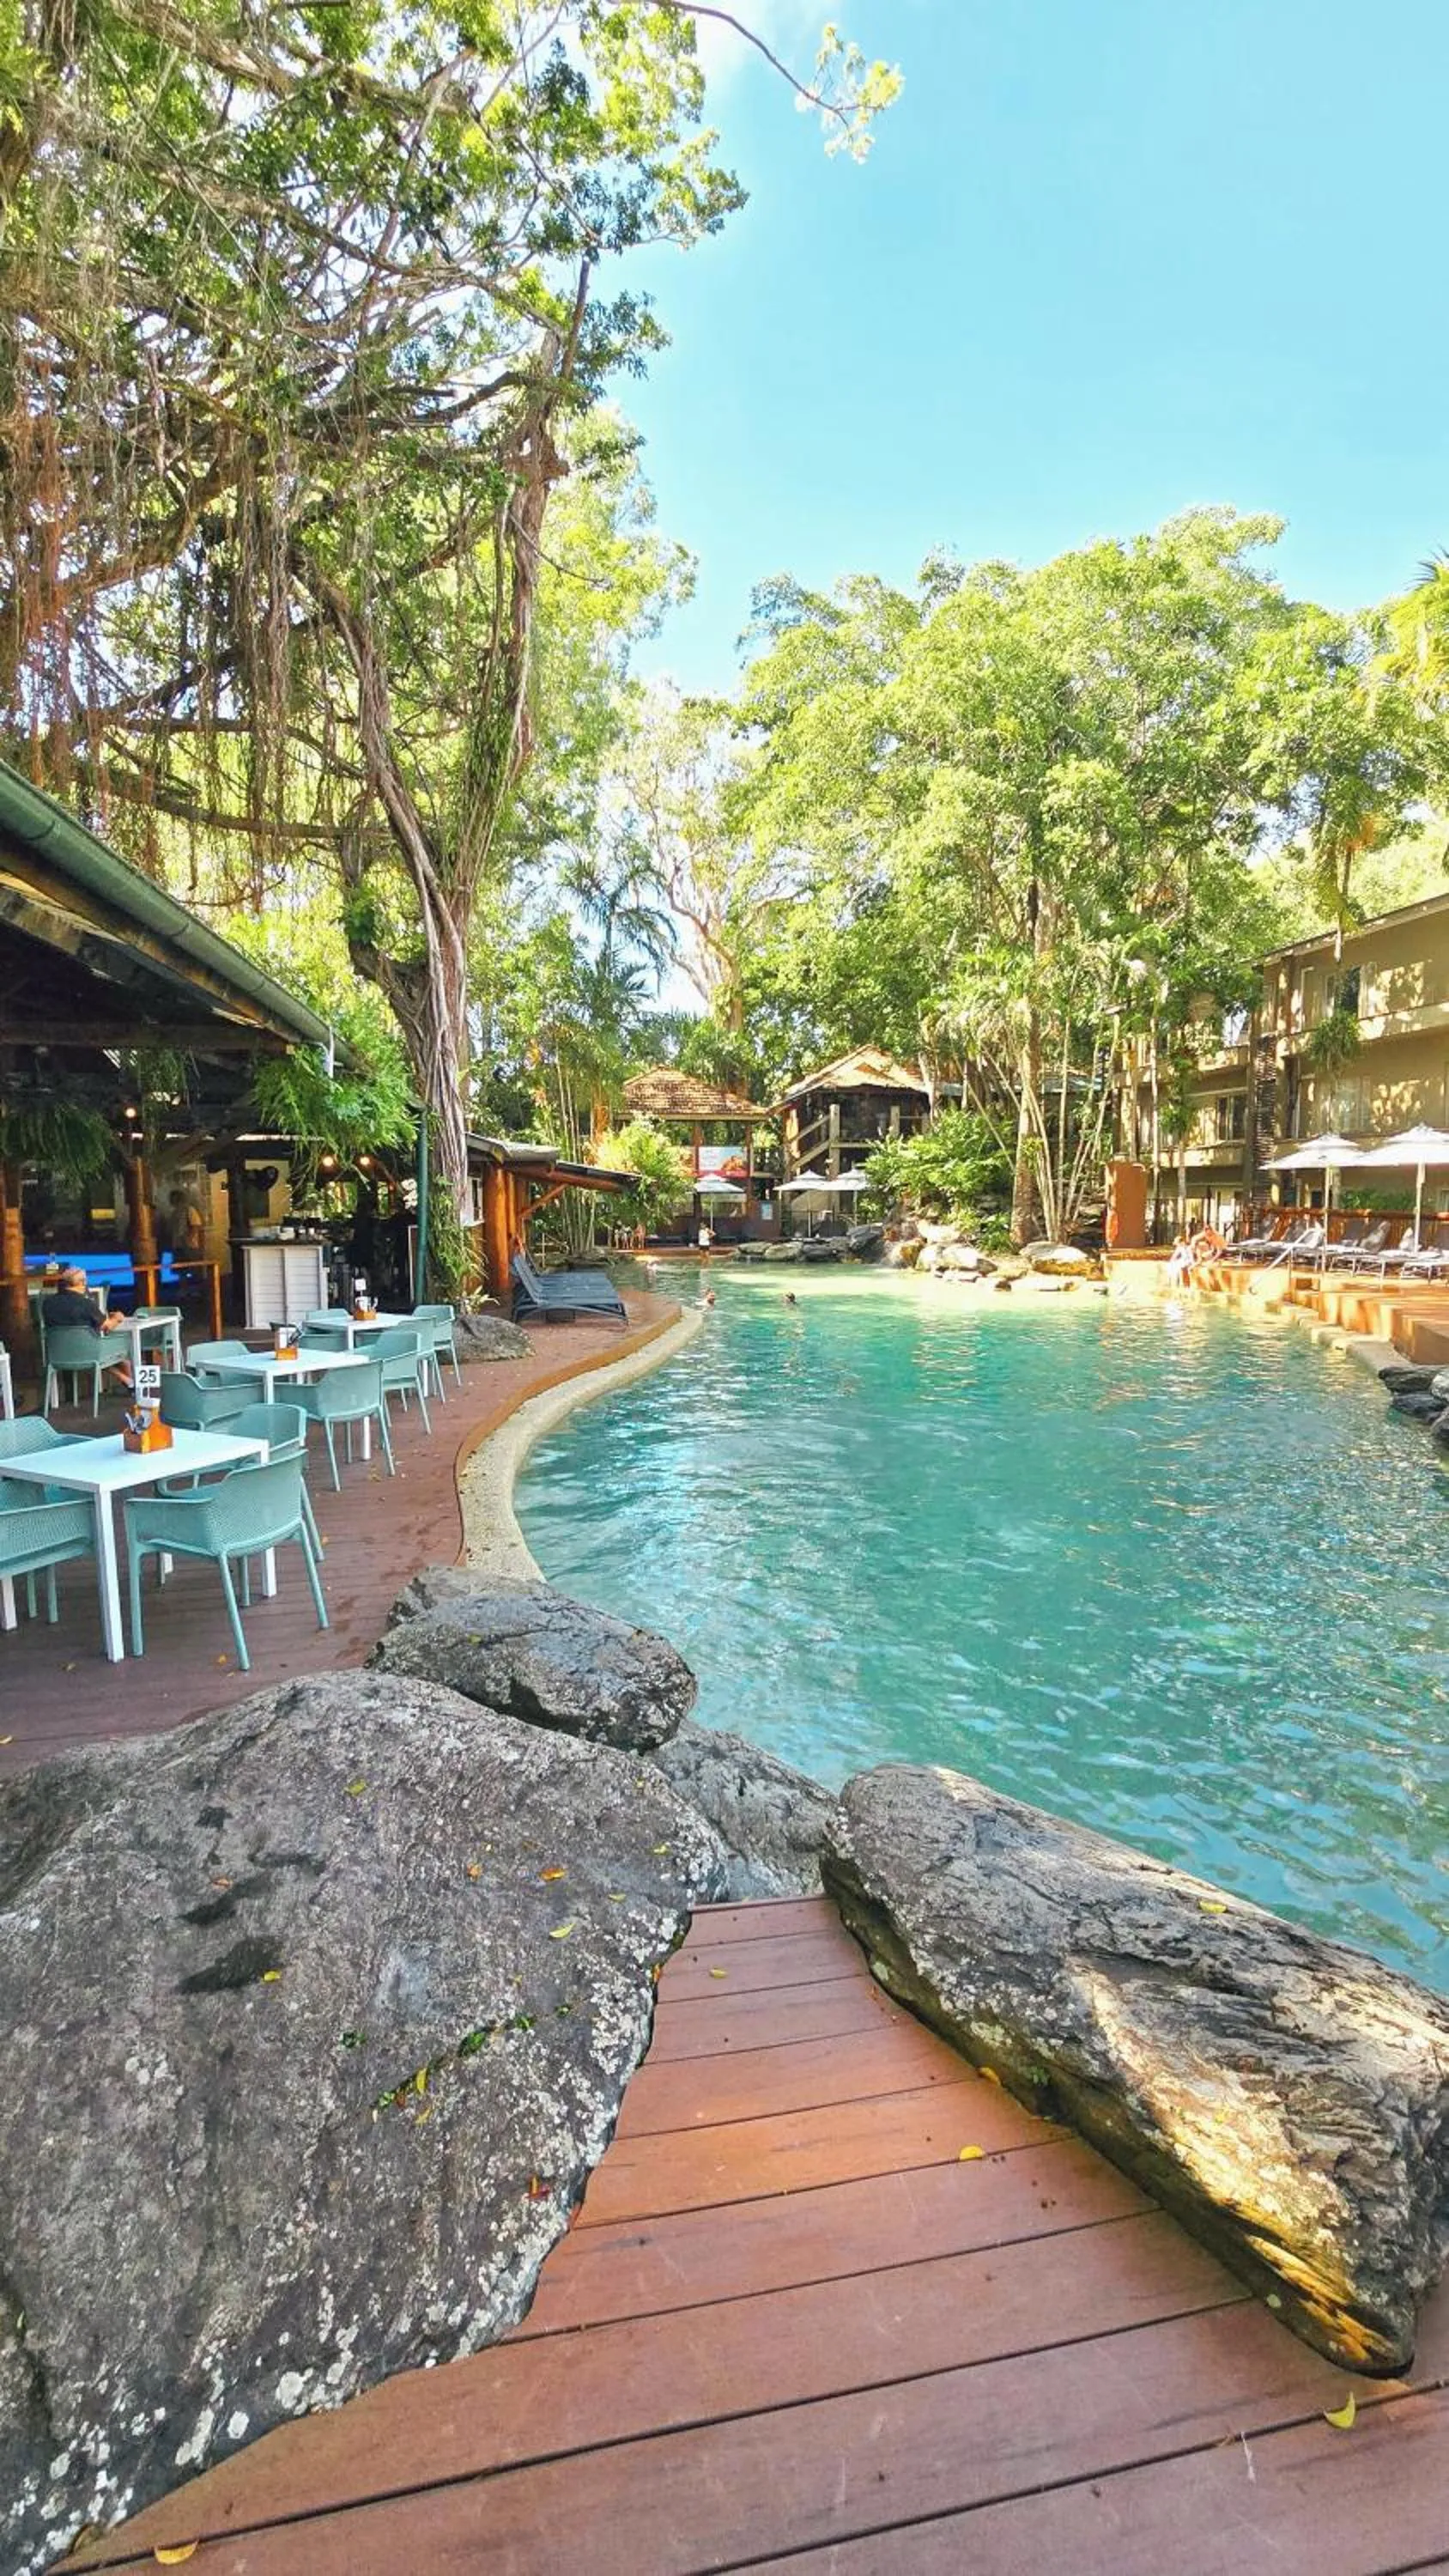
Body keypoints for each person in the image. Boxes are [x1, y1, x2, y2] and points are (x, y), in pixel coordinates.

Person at [39, 1266, 132, 1388]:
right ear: (83, 1282)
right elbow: (106, 1327)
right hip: (87, 1353)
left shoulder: (48, 1303)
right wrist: (118, 1318)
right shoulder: (86, 1304)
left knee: (108, 1357)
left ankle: (129, 1382)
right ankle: (132, 1386)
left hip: (57, 1354)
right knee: (123, 1356)